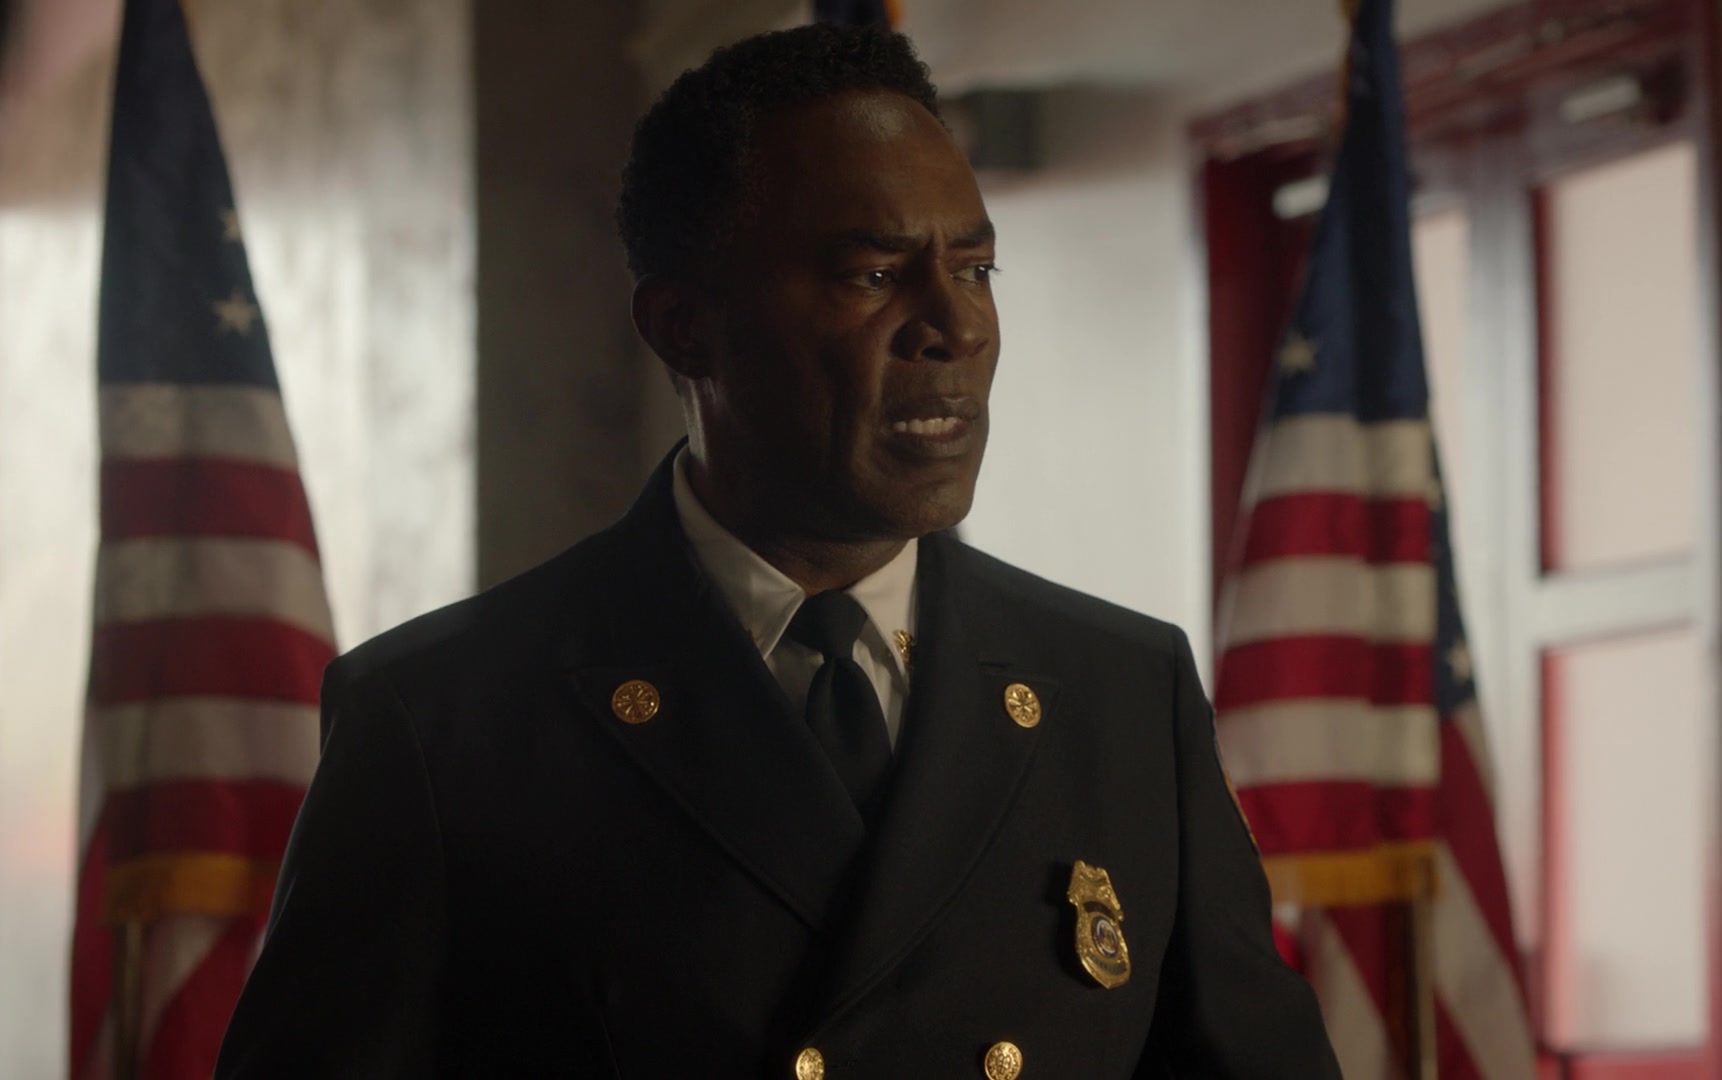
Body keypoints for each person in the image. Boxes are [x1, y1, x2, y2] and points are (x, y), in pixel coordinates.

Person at [217, 23, 1339, 1080]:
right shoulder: (442, 722)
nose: (955, 326)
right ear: (684, 327)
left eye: (975, 268)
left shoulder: (1123, 696)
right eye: (874, 275)